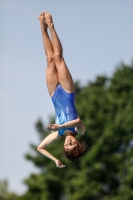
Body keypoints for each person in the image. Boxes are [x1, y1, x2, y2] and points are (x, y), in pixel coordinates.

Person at [37, 12, 89, 168]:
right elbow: (78, 121)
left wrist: (54, 160)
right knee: (58, 57)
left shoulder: (58, 134)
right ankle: (52, 27)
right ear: (78, 143)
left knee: (49, 59)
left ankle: (42, 29)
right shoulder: (79, 131)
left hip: (53, 93)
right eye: (73, 144)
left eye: (67, 146)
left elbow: (40, 147)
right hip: (67, 91)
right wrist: (61, 126)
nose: (69, 142)